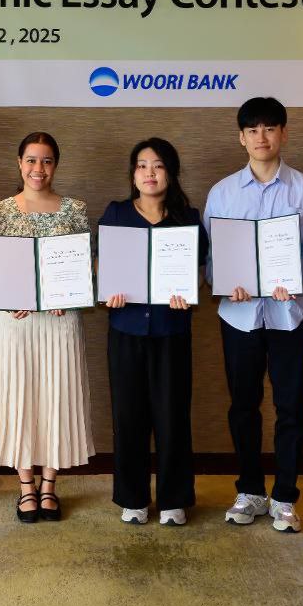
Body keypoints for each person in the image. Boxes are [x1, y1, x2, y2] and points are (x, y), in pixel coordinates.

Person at [204, 96, 303, 533]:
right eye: (252, 130)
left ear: (284, 134)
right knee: (243, 404)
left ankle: (286, 496)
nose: (261, 137)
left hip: (290, 313)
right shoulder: (222, 192)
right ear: (241, 137)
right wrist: (225, 280)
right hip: (239, 315)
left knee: (291, 407)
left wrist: (296, 276)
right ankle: (250, 491)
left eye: (270, 128)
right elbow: (213, 255)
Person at [0, 132, 94, 523]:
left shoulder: (75, 209)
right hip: (15, 323)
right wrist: (6, 295)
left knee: (56, 397)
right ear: (19, 163)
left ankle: (50, 484)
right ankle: (25, 484)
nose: (38, 169)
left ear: (56, 165)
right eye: (31, 160)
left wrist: (71, 294)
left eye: (46, 161)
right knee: (21, 398)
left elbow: (84, 266)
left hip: (60, 322)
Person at [100, 138, 205, 526]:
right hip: (125, 330)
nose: (149, 173)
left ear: (171, 172)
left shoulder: (188, 219)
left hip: (170, 330)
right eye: (141, 165)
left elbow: (199, 273)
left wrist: (189, 296)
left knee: (172, 414)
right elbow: (103, 267)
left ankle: (174, 498)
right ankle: (133, 498)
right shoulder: (115, 214)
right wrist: (106, 293)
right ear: (133, 174)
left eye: (158, 165)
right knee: (129, 416)